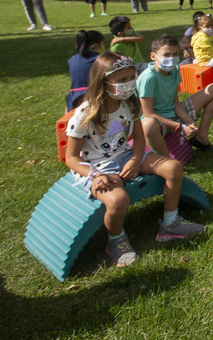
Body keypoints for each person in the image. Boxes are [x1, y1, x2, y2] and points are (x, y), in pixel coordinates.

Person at [64, 52, 205, 267]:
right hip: (95, 167)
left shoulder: (129, 105)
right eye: (121, 80)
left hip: (126, 155)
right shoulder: (85, 114)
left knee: (173, 167)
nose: (128, 84)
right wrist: (95, 175)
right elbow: (71, 159)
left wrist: (136, 158)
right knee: (119, 199)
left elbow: (138, 138)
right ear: (103, 81)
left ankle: (170, 222)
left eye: (131, 78)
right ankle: (115, 239)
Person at [138, 33, 213, 153]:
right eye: (166, 55)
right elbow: (148, 113)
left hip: (174, 114)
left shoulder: (174, 69)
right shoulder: (148, 77)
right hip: (158, 123)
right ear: (153, 56)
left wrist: (189, 122)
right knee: (149, 125)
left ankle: (201, 138)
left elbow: (175, 102)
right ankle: (162, 158)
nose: (171, 58)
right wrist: (179, 127)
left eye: (175, 54)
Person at [66, 29, 105, 111]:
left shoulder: (72, 59)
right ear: (95, 46)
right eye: (101, 45)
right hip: (93, 95)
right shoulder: (99, 60)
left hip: (73, 96)